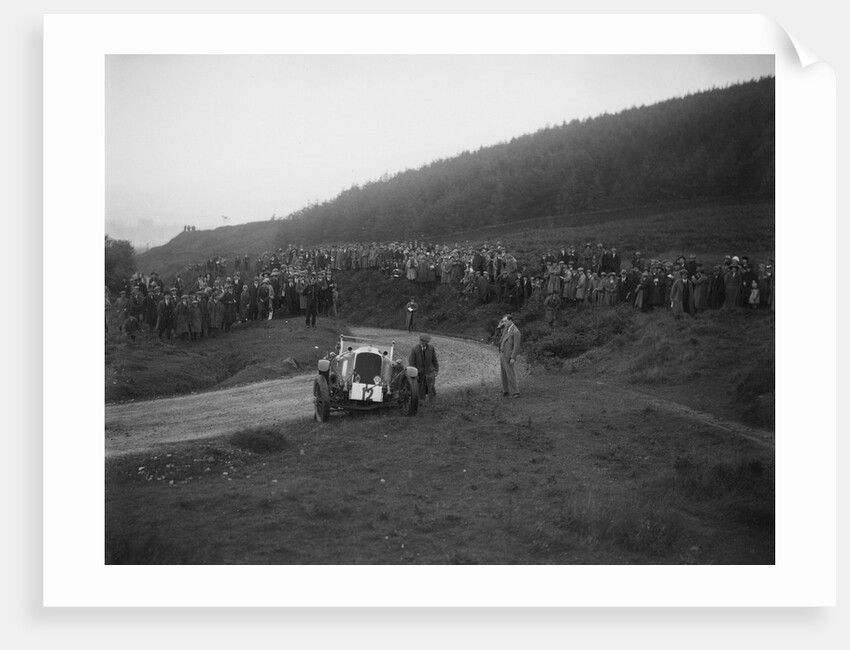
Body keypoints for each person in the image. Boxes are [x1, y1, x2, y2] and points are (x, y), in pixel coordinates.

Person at [408, 333, 439, 403]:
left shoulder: (431, 348)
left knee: (431, 389)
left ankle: (433, 404)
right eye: (422, 342)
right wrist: (415, 374)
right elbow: (412, 363)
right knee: (420, 390)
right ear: (419, 341)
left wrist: (436, 370)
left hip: (430, 372)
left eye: (425, 342)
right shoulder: (414, 349)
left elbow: (434, 360)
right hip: (419, 373)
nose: (423, 344)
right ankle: (421, 403)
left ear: (427, 342)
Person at [496, 314, 521, 398]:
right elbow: (497, 335)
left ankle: (515, 392)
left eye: (505, 321)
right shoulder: (506, 329)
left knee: (510, 374)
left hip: (508, 355)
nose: (504, 323)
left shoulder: (515, 331)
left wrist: (513, 357)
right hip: (503, 353)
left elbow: (516, 346)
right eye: (503, 321)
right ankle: (505, 391)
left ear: (511, 321)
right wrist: (499, 326)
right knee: (503, 374)